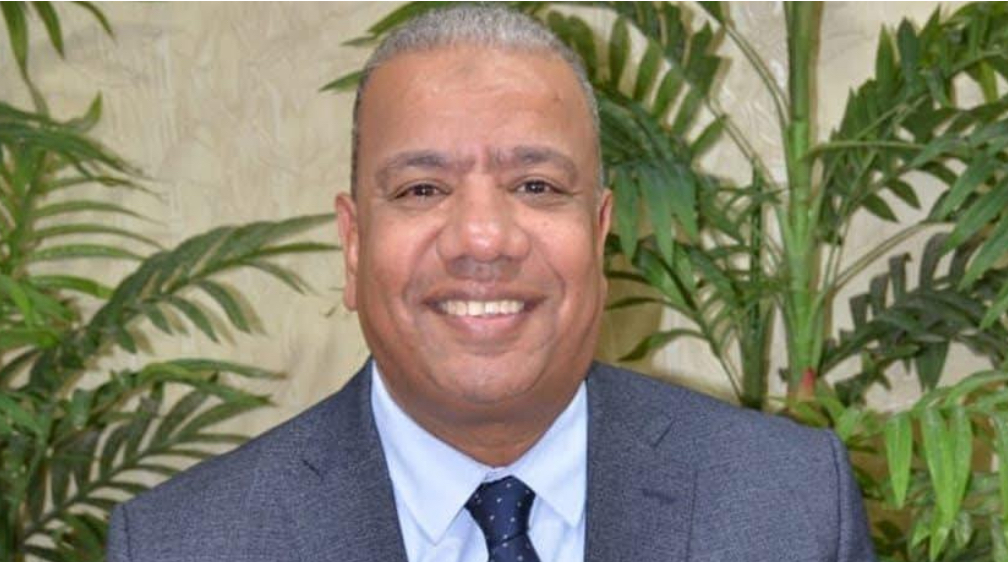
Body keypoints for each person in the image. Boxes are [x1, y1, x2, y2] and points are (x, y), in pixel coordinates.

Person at [107, 6, 876, 562]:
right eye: (422, 189)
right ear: (353, 244)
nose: (483, 239)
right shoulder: (183, 544)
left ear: (599, 234)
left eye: (537, 186)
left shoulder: (792, 507)